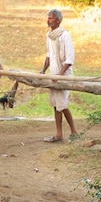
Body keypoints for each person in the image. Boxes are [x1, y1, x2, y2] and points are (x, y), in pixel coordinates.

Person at [40, 8, 78, 142]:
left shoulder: (65, 35)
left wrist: (60, 75)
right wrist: (43, 70)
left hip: (63, 75)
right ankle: (59, 134)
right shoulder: (49, 36)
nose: (48, 20)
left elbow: (69, 59)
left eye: (50, 18)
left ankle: (73, 131)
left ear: (58, 20)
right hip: (53, 74)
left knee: (62, 104)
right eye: (48, 18)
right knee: (56, 105)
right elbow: (49, 55)